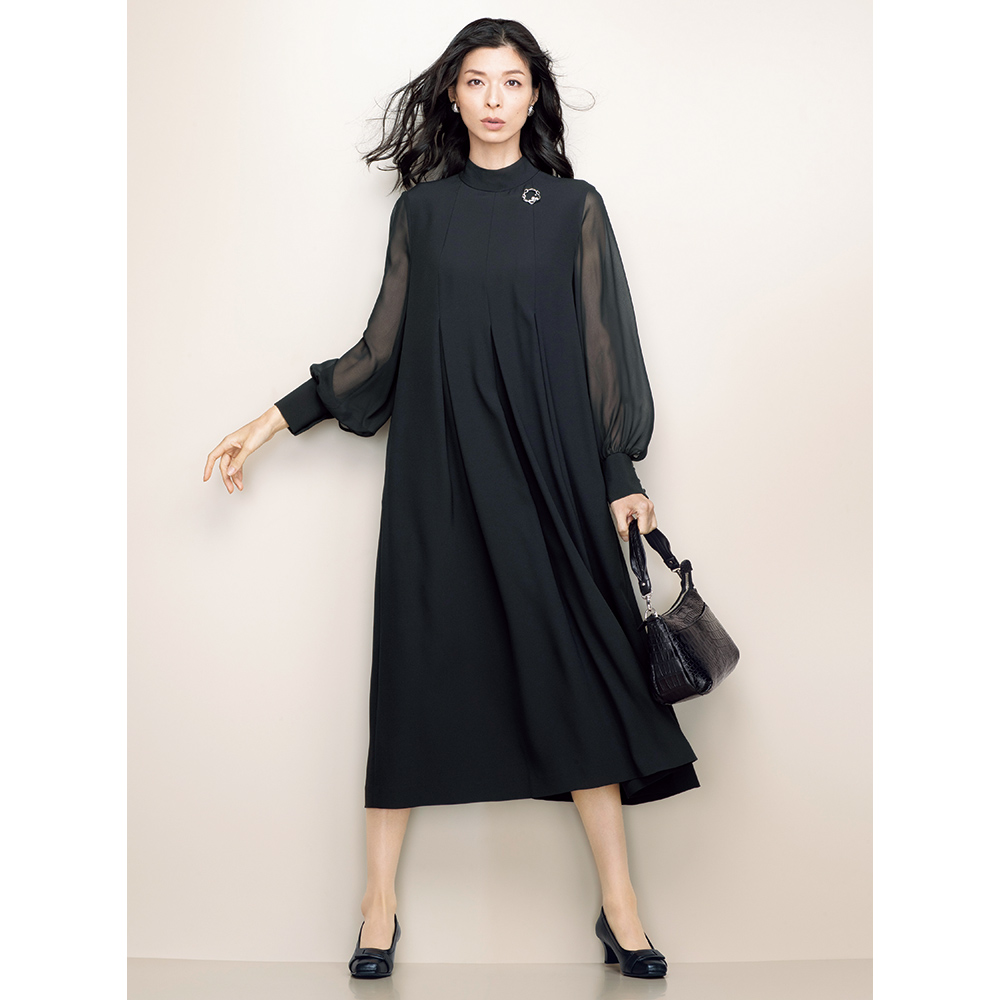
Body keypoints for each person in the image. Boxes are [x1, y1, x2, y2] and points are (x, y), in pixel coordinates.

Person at [204, 17, 698, 981]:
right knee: (413, 673)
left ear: (533, 96)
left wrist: (620, 475)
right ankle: (377, 907)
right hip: (440, 479)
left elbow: (606, 349)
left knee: (582, 675)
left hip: (551, 478)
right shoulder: (422, 215)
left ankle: (622, 911)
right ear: (454, 96)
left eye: (511, 81)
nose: (494, 98)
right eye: (477, 81)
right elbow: (379, 354)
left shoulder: (573, 208)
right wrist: (270, 421)